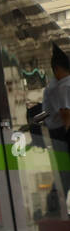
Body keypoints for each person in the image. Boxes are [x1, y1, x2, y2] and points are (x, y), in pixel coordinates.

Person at [44, 44, 70, 215]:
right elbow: (65, 113)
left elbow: (65, 113)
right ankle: (54, 209)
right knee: (64, 173)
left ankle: (54, 210)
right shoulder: (64, 85)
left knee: (63, 173)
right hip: (62, 132)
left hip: (58, 133)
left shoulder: (57, 85)